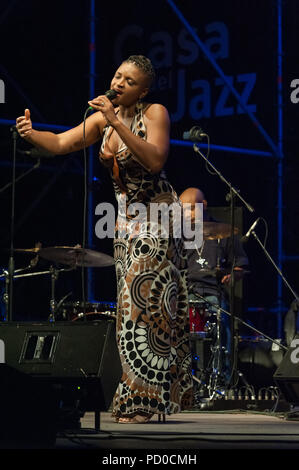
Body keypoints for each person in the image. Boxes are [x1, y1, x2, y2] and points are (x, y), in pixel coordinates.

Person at [16, 55, 194, 424]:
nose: (118, 83)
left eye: (129, 81)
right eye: (117, 76)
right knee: (128, 312)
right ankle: (142, 396)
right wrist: (33, 134)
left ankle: (143, 402)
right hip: (127, 221)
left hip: (158, 217)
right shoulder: (101, 119)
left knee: (146, 309)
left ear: (143, 90)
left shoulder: (154, 113)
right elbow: (63, 142)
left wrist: (116, 122)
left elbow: (155, 160)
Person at [179, 187, 249, 385]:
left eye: (192, 208)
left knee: (221, 322)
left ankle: (220, 380)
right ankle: (182, 380)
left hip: (213, 294)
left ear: (205, 205)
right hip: (184, 293)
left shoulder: (224, 232)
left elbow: (241, 266)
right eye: (183, 209)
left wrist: (233, 275)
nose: (188, 214)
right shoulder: (177, 236)